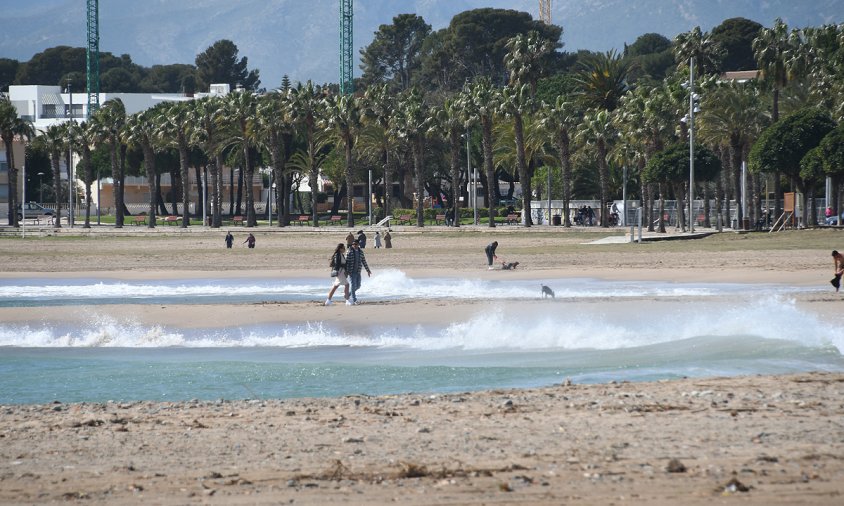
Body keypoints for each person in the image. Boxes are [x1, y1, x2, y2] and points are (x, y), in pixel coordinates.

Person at [345, 239, 371, 305]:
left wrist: (368, 270)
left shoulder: (360, 252)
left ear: (358, 244)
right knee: (353, 286)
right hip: (351, 272)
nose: (354, 245)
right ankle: (354, 300)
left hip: (358, 272)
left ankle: (348, 295)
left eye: (356, 244)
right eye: (353, 244)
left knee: (358, 286)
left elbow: (364, 261)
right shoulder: (349, 251)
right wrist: (346, 271)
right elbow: (346, 262)